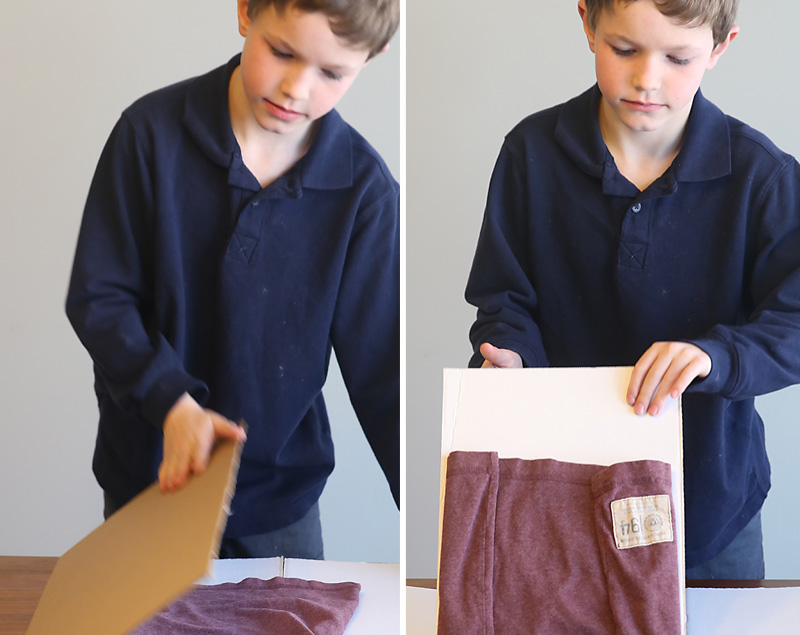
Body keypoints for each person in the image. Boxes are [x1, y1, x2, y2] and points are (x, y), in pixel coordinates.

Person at [467, 0, 800, 580]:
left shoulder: (762, 176)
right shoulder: (530, 153)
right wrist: (510, 356)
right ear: (588, 24)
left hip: (709, 508)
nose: (648, 79)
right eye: (624, 50)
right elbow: (505, 299)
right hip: (566, 492)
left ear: (720, 48)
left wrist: (715, 355)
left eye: (678, 58)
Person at [66, 1, 399, 560]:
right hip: (150, 485)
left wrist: (442, 524)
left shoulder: (364, 192)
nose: (296, 88)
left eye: (332, 73)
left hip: (280, 504)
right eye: (282, 52)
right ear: (246, 11)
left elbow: (381, 375)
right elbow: (100, 298)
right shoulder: (148, 136)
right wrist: (173, 404)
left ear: (371, 57)